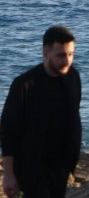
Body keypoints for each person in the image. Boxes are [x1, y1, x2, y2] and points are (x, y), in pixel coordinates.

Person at [1, 25, 81, 198]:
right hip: (32, 167)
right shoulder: (24, 85)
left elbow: (73, 117)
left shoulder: (73, 77)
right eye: (61, 55)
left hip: (61, 166)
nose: (66, 61)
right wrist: (8, 174)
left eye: (70, 55)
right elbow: (8, 131)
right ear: (45, 52)